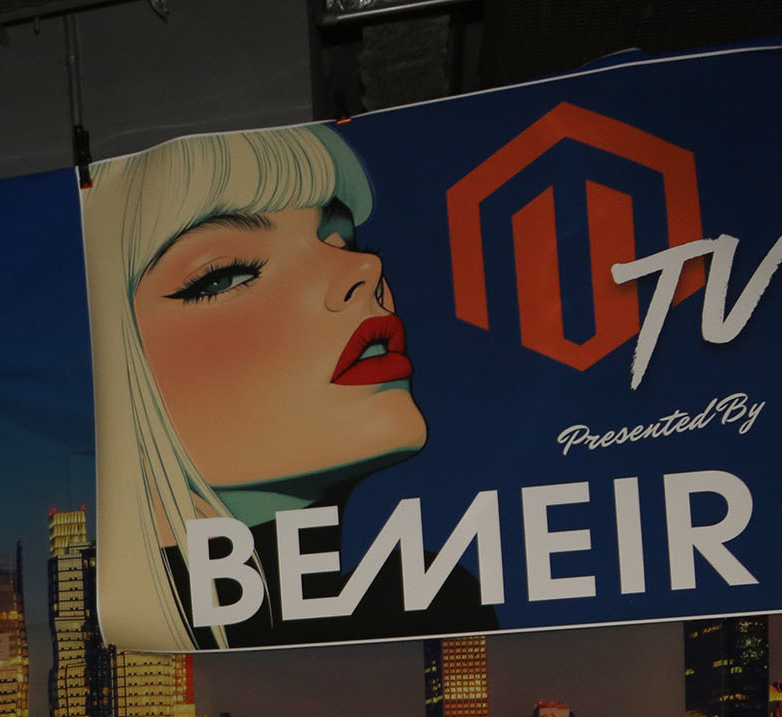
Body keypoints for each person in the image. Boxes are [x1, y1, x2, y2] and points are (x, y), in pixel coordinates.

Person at [84, 124, 494, 650]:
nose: (365, 268)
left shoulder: (430, 603)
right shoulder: (131, 655)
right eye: (227, 275)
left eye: (343, 241)